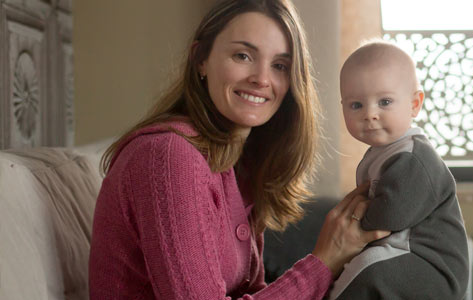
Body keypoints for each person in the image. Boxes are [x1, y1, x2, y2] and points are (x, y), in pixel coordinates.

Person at [88, 1, 388, 299]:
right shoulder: (168, 156)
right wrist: (323, 262)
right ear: (200, 59)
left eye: (280, 65)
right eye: (243, 55)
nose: (262, 78)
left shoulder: (235, 164)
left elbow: (250, 291)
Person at [328, 41, 469, 299]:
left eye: (384, 101)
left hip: (428, 265)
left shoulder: (413, 156)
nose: (370, 114)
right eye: (356, 105)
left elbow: (393, 213)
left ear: (415, 104)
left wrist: (357, 223)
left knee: (368, 271)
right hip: (401, 253)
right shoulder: (383, 152)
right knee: (355, 269)